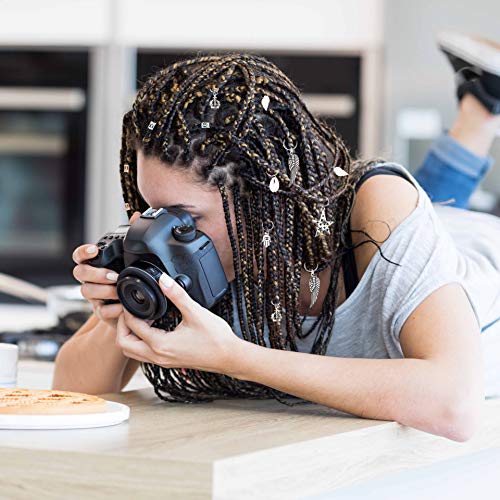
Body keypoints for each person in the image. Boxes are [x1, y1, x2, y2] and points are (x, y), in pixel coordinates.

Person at [53, 33, 500, 442]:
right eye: (152, 209)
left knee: (410, 205)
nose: (160, 232)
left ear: (262, 200)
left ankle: (480, 113)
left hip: (484, 264)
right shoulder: (199, 247)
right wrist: (119, 313)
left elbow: (453, 406)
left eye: (184, 217)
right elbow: (69, 393)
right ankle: (482, 106)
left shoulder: (377, 207)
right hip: (401, 234)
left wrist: (234, 356)